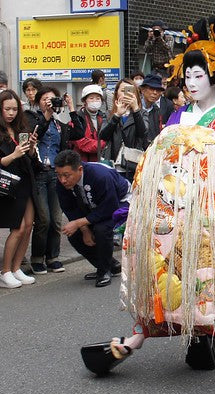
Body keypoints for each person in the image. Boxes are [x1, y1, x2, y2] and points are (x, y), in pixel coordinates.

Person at [81, 15, 215, 376]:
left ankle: (199, 334)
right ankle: (139, 336)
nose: (192, 83)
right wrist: (134, 203)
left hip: (211, 217)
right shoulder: (177, 117)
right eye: (188, 75)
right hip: (169, 212)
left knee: (199, 278)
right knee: (160, 274)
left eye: (200, 75)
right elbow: (155, 162)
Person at [54, 150, 129, 286]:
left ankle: (104, 271)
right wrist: (83, 229)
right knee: (73, 234)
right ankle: (109, 265)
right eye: (59, 175)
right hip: (90, 207)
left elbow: (109, 208)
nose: (63, 180)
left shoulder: (100, 176)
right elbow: (69, 208)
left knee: (102, 229)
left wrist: (80, 222)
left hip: (119, 203)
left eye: (66, 175)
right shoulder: (61, 183)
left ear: (80, 169)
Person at [26, 87, 76, 275]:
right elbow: (34, 133)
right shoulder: (32, 117)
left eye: (53, 99)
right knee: (43, 219)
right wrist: (46, 115)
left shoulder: (59, 122)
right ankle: (37, 258)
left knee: (56, 219)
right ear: (38, 101)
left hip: (56, 174)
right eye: (45, 99)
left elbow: (76, 132)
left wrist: (70, 107)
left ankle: (53, 257)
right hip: (39, 174)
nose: (49, 102)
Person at [0, 90, 39, 288]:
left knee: (29, 225)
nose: (11, 113)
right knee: (18, 227)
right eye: (7, 109)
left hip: (25, 180)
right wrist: (14, 154)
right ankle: (5, 271)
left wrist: (31, 146)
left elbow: (30, 157)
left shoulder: (21, 128)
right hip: (8, 184)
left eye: (15, 109)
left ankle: (16, 268)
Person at [98, 79, 145, 180]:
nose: (126, 94)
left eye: (130, 91)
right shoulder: (108, 114)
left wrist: (136, 110)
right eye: (122, 91)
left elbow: (143, 133)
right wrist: (117, 115)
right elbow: (103, 135)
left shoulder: (142, 113)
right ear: (116, 94)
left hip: (133, 164)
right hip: (113, 164)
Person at [69, 84, 107, 162]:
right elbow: (82, 143)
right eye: (91, 98)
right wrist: (104, 144)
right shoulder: (77, 119)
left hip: (101, 163)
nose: (95, 101)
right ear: (84, 101)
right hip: (82, 164)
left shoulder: (105, 118)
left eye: (98, 98)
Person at [138, 74, 164, 144]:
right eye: (151, 89)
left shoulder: (157, 110)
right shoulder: (135, 109)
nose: (155, 93)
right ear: (143, 90)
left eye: (158, 90)